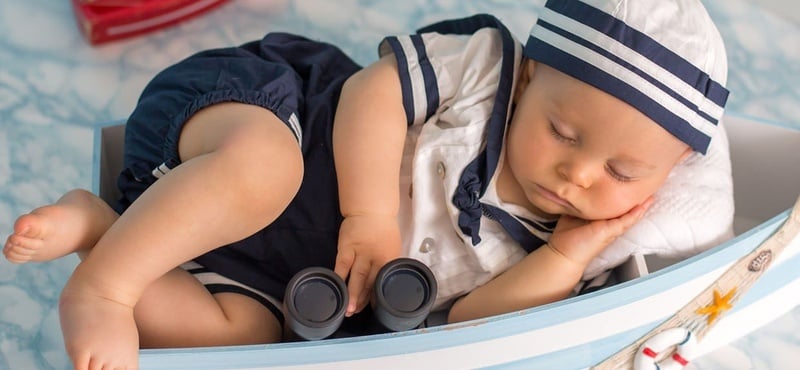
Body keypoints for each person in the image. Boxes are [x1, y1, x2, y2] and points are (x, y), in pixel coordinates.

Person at [3, 0, 729, 368]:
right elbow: (372, 94)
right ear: (533, 76)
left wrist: (570, 257)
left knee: (242, 336)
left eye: (622, 174)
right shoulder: (487, 72)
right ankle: (105, 290)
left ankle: (104, 233)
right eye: (564, 133)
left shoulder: (550, 242)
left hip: (264, 269)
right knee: (262, 173)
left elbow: (472, 324)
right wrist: (370, 214)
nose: (577, 173)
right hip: (265, 121)